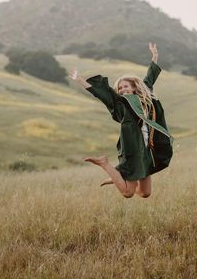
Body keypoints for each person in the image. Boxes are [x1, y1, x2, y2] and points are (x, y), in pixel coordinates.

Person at [69, 43, 173, 198]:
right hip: (133, 150)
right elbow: (101, 94)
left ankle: (118, 177)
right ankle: (105, 163)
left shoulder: (146, 97)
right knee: (127, 192)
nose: (123, 89)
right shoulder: (120, 104)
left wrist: (155, 55)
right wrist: (79, 80)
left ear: (134, 87)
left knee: (145, 193)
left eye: (125, 86)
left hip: (147, 151)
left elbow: (151, 76)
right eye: (120, 88)